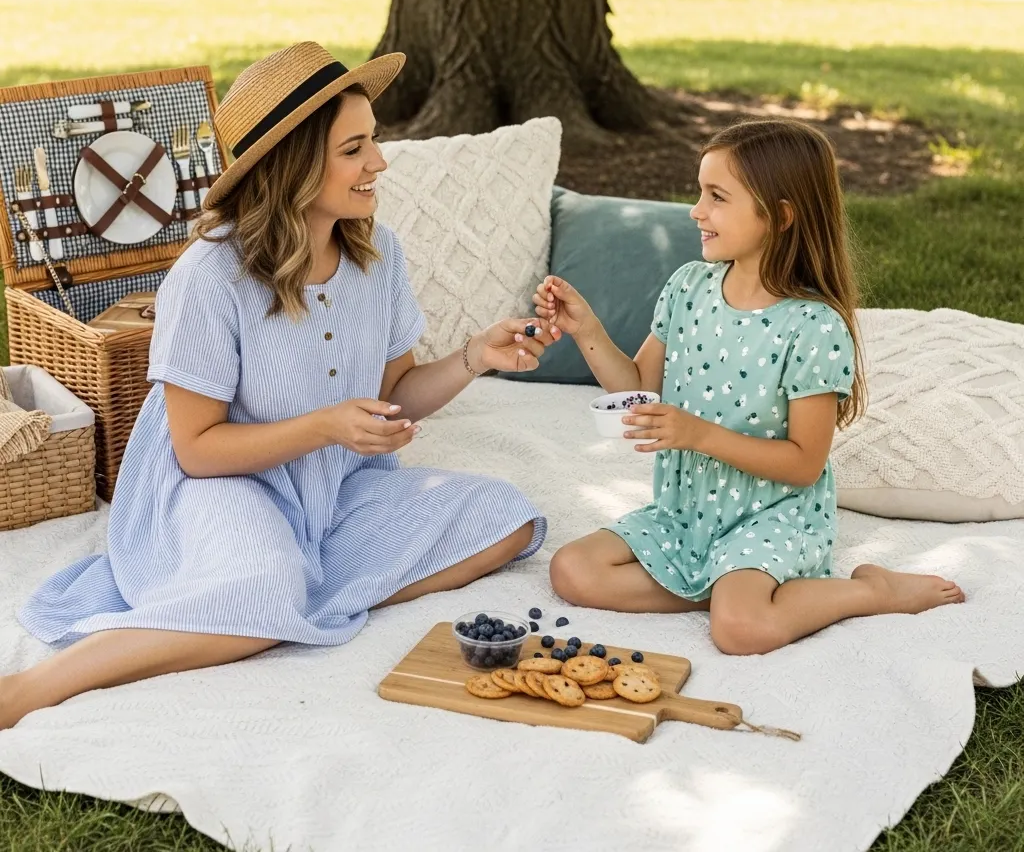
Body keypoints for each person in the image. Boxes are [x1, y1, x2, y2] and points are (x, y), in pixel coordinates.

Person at [2, 42, 553, 730]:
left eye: (372, 142)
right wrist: (325, 426)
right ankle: (31, 687)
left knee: (507, 518)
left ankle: (290, 596)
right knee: (265, 586)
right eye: (355, 149)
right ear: (294, 165)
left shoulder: (376, 256)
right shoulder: (210, 277)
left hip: (335, 485)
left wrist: (474, 357)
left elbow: (396, 396)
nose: (379, 163)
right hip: (217, 489)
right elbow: (197, 450)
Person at [543, 118, 964, 655]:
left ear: (781, 215)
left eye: (717, 197)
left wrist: (697, 434)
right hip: (687, 510)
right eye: (701, 193)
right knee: (573, 571)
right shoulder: (688, 286)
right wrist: (587, 330)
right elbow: (640, 386)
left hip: (772, 517)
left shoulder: (813, 327)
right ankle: (725, 588)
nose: (697, 210)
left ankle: (867, 590)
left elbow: (804, 463)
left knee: (741, 631)